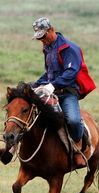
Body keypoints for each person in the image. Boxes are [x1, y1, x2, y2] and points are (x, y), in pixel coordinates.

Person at [31, 17, 90, 168]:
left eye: (43, 36)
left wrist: (53, 85)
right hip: (52, 91)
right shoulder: (48, 48)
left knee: (74, 121)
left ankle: (79, 148)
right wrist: (36, 84)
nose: (42, 40)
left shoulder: (69, 48)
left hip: (68, 92)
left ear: (51, 30)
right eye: (39, 38)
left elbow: (71, 72)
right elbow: (49, 74)